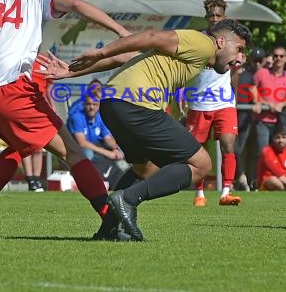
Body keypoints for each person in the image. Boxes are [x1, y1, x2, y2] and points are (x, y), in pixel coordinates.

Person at [0, 0, 132, 241]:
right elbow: (75, 4)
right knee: (73, 153)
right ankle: (110, 221)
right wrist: (121, 32)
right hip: (11, 91)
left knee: (18, 147)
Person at [41, 18, 253, 241]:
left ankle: (109, 229)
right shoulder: (203, 43)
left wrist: (71, 72)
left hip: (114, 104)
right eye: (239, 49)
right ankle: (128, 200)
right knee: (201, 164)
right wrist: (101, 53)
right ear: (220, 41)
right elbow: (151, 36)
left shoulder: (194, 55)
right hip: (135, 105)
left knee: (145, 170)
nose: (240, 58)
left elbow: (127, 58)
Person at [186, 0, 242, 207]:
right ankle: (199, 193)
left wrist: (232, 91)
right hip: (199, 103)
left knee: (228, 146)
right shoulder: (198, 38)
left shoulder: (231, 39)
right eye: (212, 16)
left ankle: (226, 192)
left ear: (224, 16)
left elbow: (237, 68)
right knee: (197, 151)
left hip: (224, 102)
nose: (215, 19)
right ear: (206, 17)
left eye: (219, 15)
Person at [252, 46, 286, 188]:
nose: (278, 58)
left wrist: (281, 104)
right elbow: (252, 89)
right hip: (263, 120)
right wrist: (264, 102)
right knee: (263, 152)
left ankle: (279, 182)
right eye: (276, 55)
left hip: (280, 121)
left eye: (281, 56)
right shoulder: (262, 73)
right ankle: (260, 182)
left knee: (281, 152)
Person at [67, 86, 127, 190]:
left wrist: (115, 149)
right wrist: (107, 153)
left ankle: (126, 181)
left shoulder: (100, 116)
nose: (91, 107)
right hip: (77, 149)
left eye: (94, 104)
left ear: (99, 105)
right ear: (84, 104)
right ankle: (85, 184)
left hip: (96, 146)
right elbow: (82, 143)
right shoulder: (77, 116)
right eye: (89, 104)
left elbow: (107, 138)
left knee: (123, 151)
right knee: (88, 153)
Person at [234, 46, 265, 191]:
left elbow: (254, 93)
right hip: (232, 116)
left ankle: (245, 179)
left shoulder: (248, 76)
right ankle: (238, 178)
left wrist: (258, 102)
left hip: (245, 118)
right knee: (233, 150)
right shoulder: (227, 73)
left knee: (242, 150)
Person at [22, 61, 55, 192]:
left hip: (40, 108)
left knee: (39, 145)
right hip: (23, 106)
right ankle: (30, 179)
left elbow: (49, 87)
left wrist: (52, 107)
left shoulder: (44, 62)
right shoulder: (22, 57)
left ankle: (37, 178)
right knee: (25, 144)